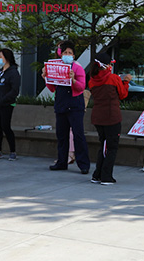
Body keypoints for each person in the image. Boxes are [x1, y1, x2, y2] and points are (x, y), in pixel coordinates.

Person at [42, 40, 91, 174]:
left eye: (70, 53)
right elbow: (52, 88)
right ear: (61, 54)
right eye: (65, 52)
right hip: (61, 104)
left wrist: (73, 79)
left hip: (75, 105)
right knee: (61, 135)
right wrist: (46, 77)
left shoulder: (77, 67)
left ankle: (83, 164)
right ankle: (61, 161)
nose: (67, 55)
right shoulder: (56, 67)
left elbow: (81, 87)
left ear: (74, 56)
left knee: (78, 135)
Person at [88, 52, 131, 185]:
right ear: (106, 65)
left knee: (104, 145)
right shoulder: (113, 78)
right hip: (112, 117)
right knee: (111, 148)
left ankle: (97, 175)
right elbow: (123, 94)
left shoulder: (92, 80)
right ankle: (106, 176)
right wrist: (126, 82)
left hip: (98, 117)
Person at [0, 47, 21, 161]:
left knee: (5, 126)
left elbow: (14, 90)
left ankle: (12, 151)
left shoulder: (13, 73)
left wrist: (3, 100)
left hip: (6, 105)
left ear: (6, 58)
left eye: (0, 57)